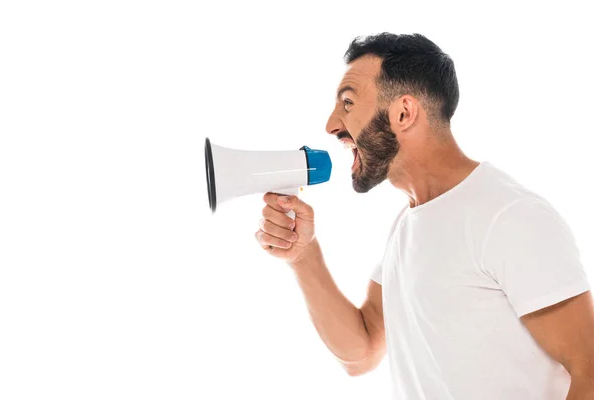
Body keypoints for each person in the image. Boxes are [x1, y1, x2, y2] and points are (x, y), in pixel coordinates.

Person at [254, 33, 594, 399]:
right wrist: (304, 255)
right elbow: (363, 351)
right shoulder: (407, 225)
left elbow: (589, 368)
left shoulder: (509, 217)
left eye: (348, 102)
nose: (331, 124)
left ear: (403, 112)